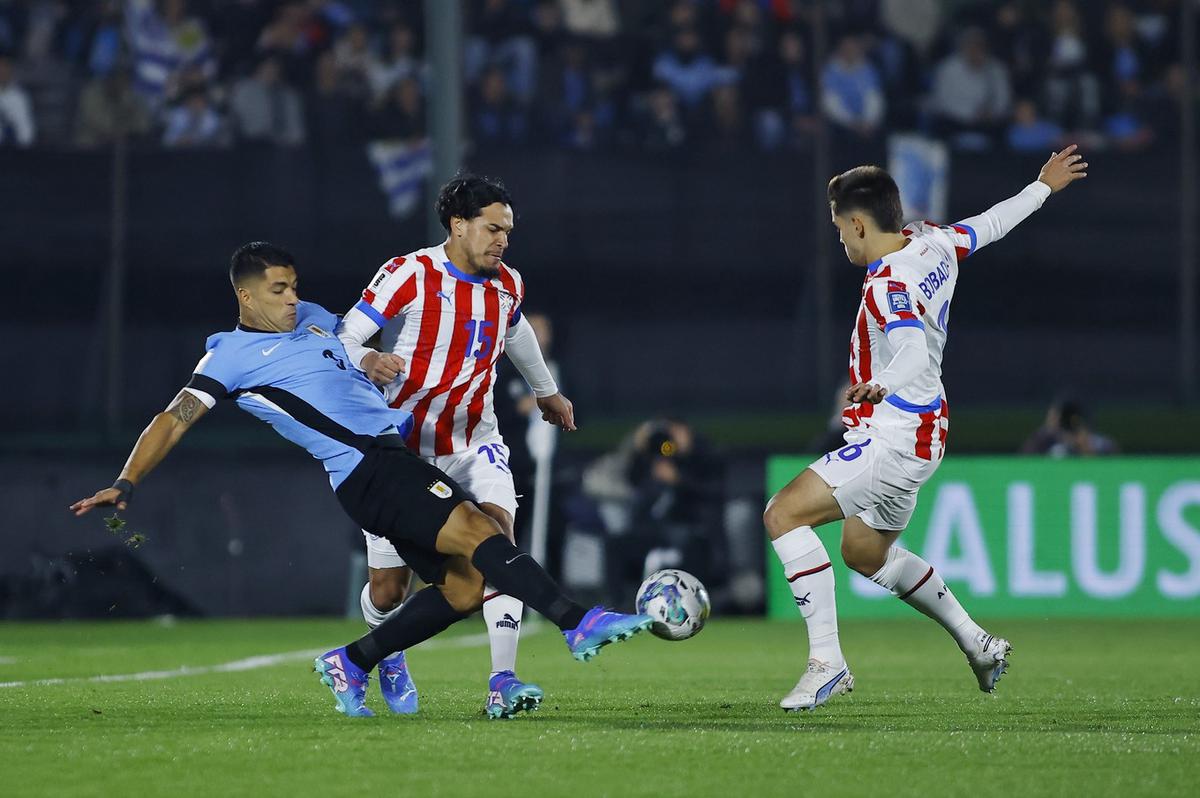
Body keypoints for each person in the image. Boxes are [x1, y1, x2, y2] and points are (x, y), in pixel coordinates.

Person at [69, 242, 652, 719]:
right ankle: (578, 622)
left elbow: (353, 350)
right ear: (245, 296)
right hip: (368, 469)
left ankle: (354, 659)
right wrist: (127, 481)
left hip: (391, 459)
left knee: (465, 588)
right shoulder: (230, 358)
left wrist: (371, 359)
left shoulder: (316, 321)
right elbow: (174, 419)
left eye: (295, 285)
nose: (293, 299)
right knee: (479, 530)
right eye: (278, 290)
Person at [763, 147, 1089, 711]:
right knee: (865, 553)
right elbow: (989, 226)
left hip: (891, 436)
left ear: (859, 224)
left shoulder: (886, 280)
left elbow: (912, 348)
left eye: (841, 228)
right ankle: (978, 642)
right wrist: (1042, 187)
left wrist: (883, 383)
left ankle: (827, 664)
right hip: (925, 431)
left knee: (782, 514)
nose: (840, 238)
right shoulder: (932, 241)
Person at [336, 174, 576, 719]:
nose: (502, 241)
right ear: (458, 224)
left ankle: (503, 681)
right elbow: (343, 339)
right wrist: (370, 359)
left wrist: (547, 392)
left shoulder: (508, 282)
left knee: (499, 548)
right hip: (401, 454)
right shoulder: (409, 274)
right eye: (493, 229)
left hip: (474, 442)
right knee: (389, 590)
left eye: (508, 232)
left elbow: (515, 335)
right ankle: (386, 651)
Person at [1020, 398, 1119, 457]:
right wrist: (1049, 430)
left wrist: (1087, 449)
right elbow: (1026, 462)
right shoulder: (1056, 449)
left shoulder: (1104, 445)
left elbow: (1116, 471)